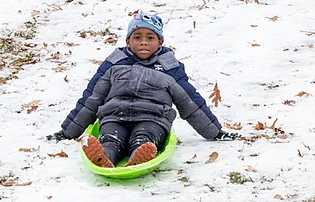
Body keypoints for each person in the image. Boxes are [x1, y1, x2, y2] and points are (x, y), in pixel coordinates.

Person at [47, 11, 236, 167]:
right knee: (111, 139)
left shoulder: (169, 67)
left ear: (160, 42)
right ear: (128, 41)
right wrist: (68, 131)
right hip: (114, 116)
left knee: (144, 138)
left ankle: (139, 156)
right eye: (137, 37)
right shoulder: (114, 63)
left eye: (150, 37)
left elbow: (189, 101)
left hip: (152, 118)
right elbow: (92, 98)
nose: (143, 42)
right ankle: (104, 157)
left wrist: (215, 132)